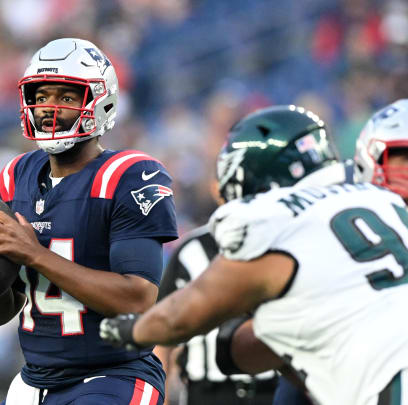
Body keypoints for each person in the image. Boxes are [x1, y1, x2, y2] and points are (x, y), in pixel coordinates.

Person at [100, 105, 408, 405]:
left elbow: (180, 317)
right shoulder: (378, 198)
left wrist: (131, 329)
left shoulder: (271, 217)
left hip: (388, 377)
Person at [0, 38, 178, 404]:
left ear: (99, 100)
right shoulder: (16, 176)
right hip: (33, 382)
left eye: (66, 97)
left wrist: (33, 254)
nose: (48, 108)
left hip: (113, 377)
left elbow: (139, 300)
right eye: (41, 97)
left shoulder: (129, 175)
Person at [157, 219, 279, 404]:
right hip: (208, 391)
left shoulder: (282, 240)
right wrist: (161, 394)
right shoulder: (191, 249)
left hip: (272, 388)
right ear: (216, 190)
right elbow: (163, 328)